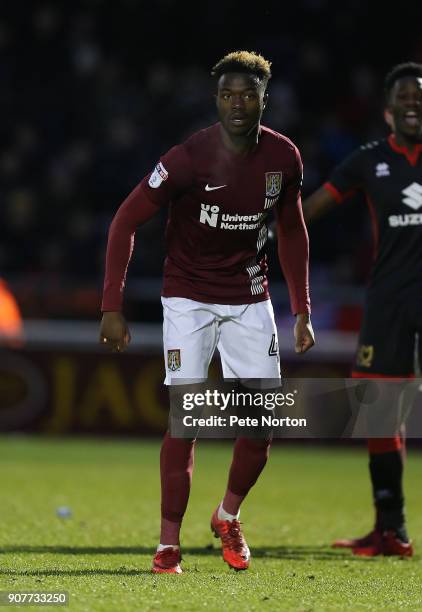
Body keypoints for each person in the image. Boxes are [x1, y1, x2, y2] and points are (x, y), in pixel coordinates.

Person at [100, 50, 314, 574]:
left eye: (248, 93)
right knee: (187, 418)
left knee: (263, 424)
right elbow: (124, 222)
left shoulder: (284, 159)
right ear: (215, 100)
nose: (237, 103)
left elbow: (291, 230)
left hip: (250, 299)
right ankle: (167, 543)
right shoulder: (187, 159)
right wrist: (111, 305)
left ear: (266, 97)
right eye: (227, 94)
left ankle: (227, 515)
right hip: (188, 298)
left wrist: (302, 308)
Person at [303, 62, 422, 557]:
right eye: (405, 98)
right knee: (378, 416)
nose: (414, 103)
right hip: (390, 301)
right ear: (388, 111)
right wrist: (264, 226)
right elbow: (314, 209)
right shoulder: (368, 160)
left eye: (421, 97)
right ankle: (391, 530)